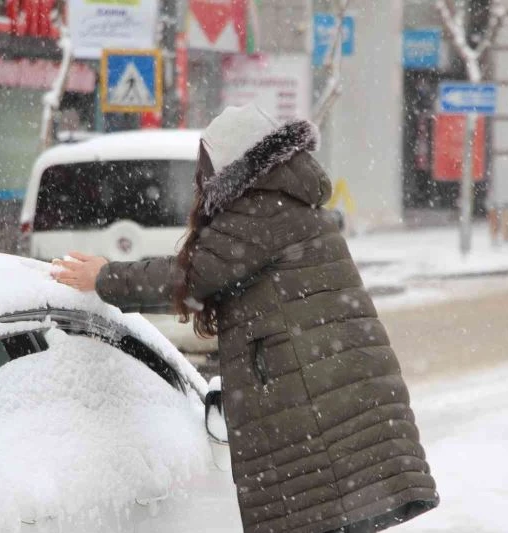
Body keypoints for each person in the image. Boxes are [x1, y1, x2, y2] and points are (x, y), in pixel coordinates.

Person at [52, 104, 438, 533]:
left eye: (206, 169)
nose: (201, 181)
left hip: (313, 407)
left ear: (230, 166)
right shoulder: (289, 202)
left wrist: (105, 277)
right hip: (334, 398)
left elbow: (190, 276)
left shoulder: (261, 209)